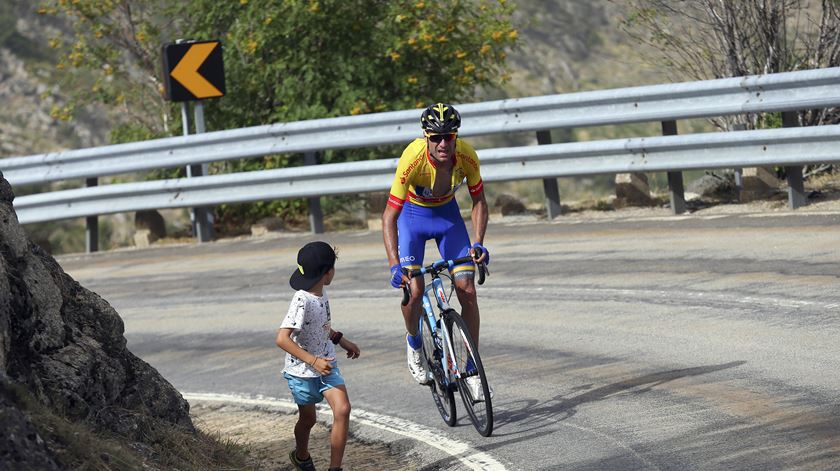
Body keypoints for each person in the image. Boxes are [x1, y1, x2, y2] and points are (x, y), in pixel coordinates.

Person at [382, 102, 491, 400]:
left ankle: (471, 370)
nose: (443, 143)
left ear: (456, 136)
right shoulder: (412, 158)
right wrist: (395, 265)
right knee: (414, 291)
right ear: (426, 137)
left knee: (467, 288)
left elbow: (479, 201)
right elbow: (389, 216)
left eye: (449, 136)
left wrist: (478, 242)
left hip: (447, 218)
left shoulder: (466, 155)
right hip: (412, 220)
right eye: (436, 137)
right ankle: (415, 343)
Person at [276, 241, 361, 471]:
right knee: (308, 420)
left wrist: (341, 340)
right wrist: (313, 361)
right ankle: (301, 456)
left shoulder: (321, 294)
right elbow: (282, 338)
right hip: (302, 371)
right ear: (327, 273)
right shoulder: (301, 299)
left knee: (343, 409)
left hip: (327, 365)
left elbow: (320, 326)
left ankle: (335, 468)